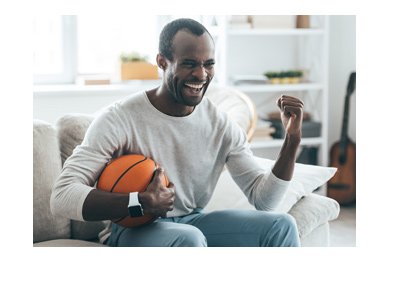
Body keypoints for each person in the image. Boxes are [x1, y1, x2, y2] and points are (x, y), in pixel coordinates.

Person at [51, 18, 303, 247]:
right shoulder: (119, 119)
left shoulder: (221, 125)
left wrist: (292, 141)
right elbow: (61, 196)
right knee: (189, 239)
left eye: (209, 64)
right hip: (132, 229)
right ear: (162, 62)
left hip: (194, 222)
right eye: (190, 64)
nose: (201, 75)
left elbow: (264, 200)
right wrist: (138, 201)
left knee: (281, 225)